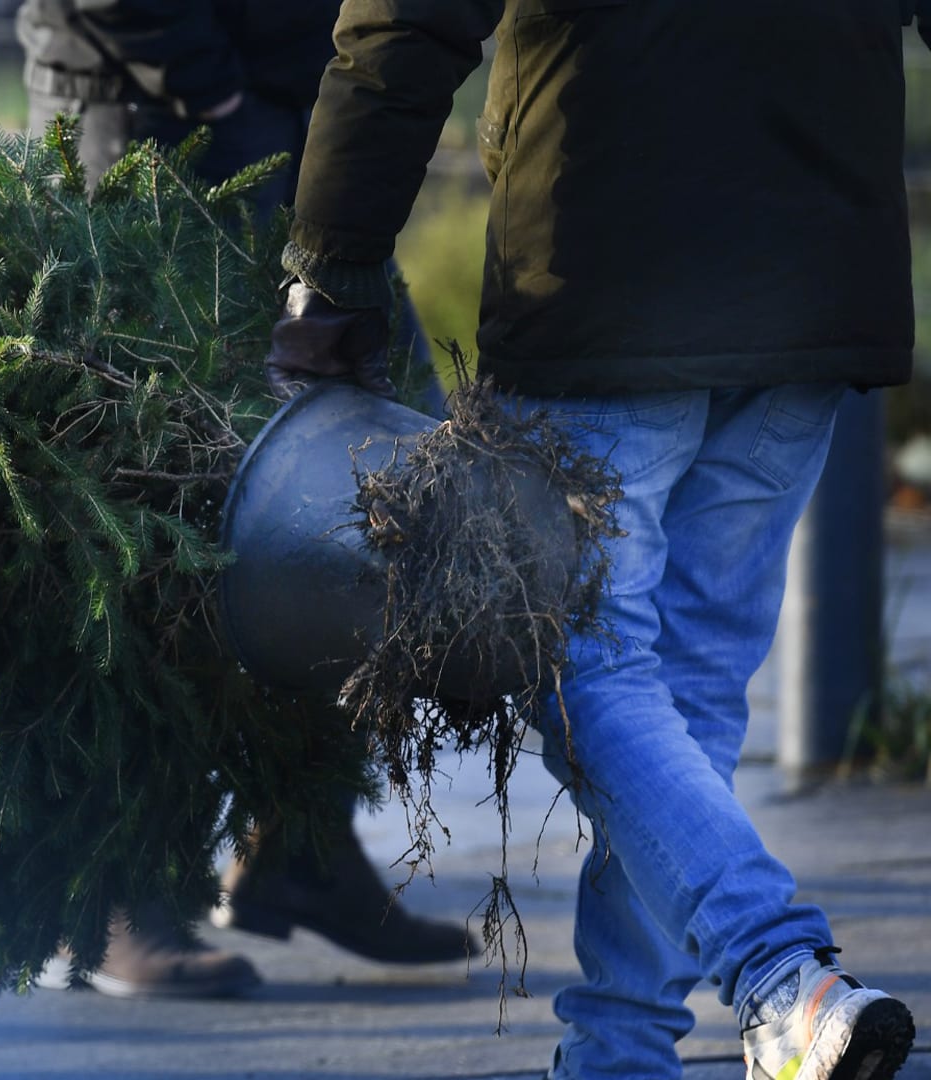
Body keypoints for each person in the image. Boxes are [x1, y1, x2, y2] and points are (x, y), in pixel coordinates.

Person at [267, 1, 921, 1077]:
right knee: (688, 687)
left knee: (572, 666)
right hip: (815, 262)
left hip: (607, 273)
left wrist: (331, 266)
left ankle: (778, 974)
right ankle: (619, 1056)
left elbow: (404, 19)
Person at [14, 0, 472, 1001]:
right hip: (148, 134)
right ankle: (111, 897)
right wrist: (214, 89)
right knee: (148, 526)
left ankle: (304, 840)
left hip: (294, 123)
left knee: (366, 501)